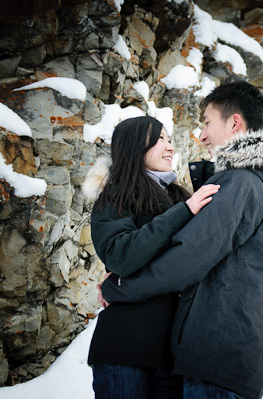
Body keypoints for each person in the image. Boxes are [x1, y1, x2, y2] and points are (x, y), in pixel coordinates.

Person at [100, 81, 263, 399]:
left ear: (234, 122)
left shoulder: (240, 183)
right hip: (235, 354)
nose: (201, 136)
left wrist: (119, 287)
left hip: (217, 352)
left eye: (207, 122)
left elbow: (188, 258)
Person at [83, 115, 220, 399]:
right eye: (159, 139)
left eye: (170, 140)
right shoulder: (116, 195)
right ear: (134, 146)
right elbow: (121, 254)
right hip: (126, 346)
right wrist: (184, 212)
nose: (170, 147)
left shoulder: (181, 196)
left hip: (173, 354)